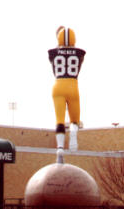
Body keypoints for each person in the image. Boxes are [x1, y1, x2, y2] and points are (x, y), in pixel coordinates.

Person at [48, 26, 86, 162]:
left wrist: (59, 37)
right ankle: (74, 132)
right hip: (73, 85)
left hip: (58, 85)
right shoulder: (80, 53)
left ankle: (60, 147)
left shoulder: (52, 52)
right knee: (74, 119)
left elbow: (57, 51)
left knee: (59, 118)